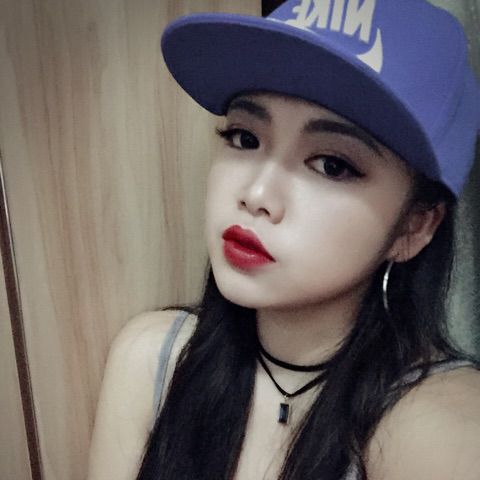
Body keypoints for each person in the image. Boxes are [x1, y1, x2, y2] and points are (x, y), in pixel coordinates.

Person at [87, 0, 480, 479]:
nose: (256, 195)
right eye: (244, 138)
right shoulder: (154, 360)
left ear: (413, 227)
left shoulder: (441, 425)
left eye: (332, 165)